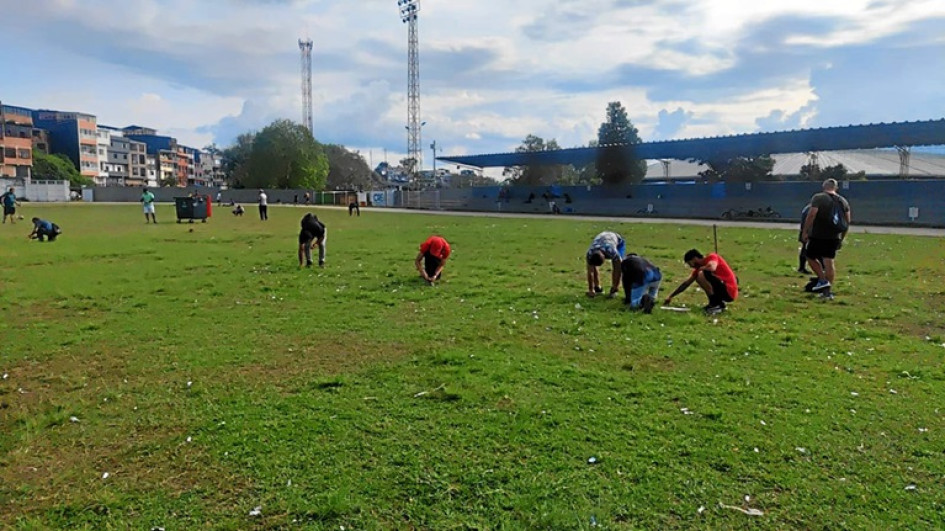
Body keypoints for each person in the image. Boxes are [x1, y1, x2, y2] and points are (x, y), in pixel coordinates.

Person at [801, 178, 851, 299]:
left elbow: (812, 214)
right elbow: (847, 221)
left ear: (824, 186)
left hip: (819, 234)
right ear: (836, 188)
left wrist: (805, 231)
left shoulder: (819, 197)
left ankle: (822, 280)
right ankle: (827, 293)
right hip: (834, 236)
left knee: (809, 256)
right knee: (829, 262)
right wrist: (842, 238)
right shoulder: (843, 201)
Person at [664, 249, 738, 314]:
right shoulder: (699, 270)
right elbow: (686, 284)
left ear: (694, 259)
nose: (690, 266)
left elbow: (712, 267)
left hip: (729, 290)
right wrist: (671, 296)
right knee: (699, 275)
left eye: (690, 263)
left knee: (701, 275)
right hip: (723, 289)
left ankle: (715, 304)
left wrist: (702, 268)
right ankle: (717, 304)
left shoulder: (712, 257)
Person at [585, 231, 625, 298]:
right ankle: (597, 288)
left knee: (616, 265)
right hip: (602, 239)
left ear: (604, 257)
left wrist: (615, 287)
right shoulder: (590, 253)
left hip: (617, 241)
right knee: (592, 266)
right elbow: (590, 272)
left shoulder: (612, 251)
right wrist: (591, 289)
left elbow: (618, 269)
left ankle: (614, 290)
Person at [797, 203, 812, 274]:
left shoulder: (807, 208)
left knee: (804, 249)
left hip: (804, 231)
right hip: (810, 232)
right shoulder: (812, 209)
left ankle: (801, 267)